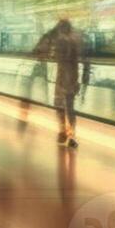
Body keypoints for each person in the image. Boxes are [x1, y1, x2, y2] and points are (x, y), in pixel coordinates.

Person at [35, 18, 91, 148]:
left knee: (59, 105)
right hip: (72, 77)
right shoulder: (76, 39)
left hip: (61, 78)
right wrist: (84, 81)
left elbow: (42, 51)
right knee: (69, 107)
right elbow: (85, 61)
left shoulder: (60, 40)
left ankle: (63, 131)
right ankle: (70, 134)